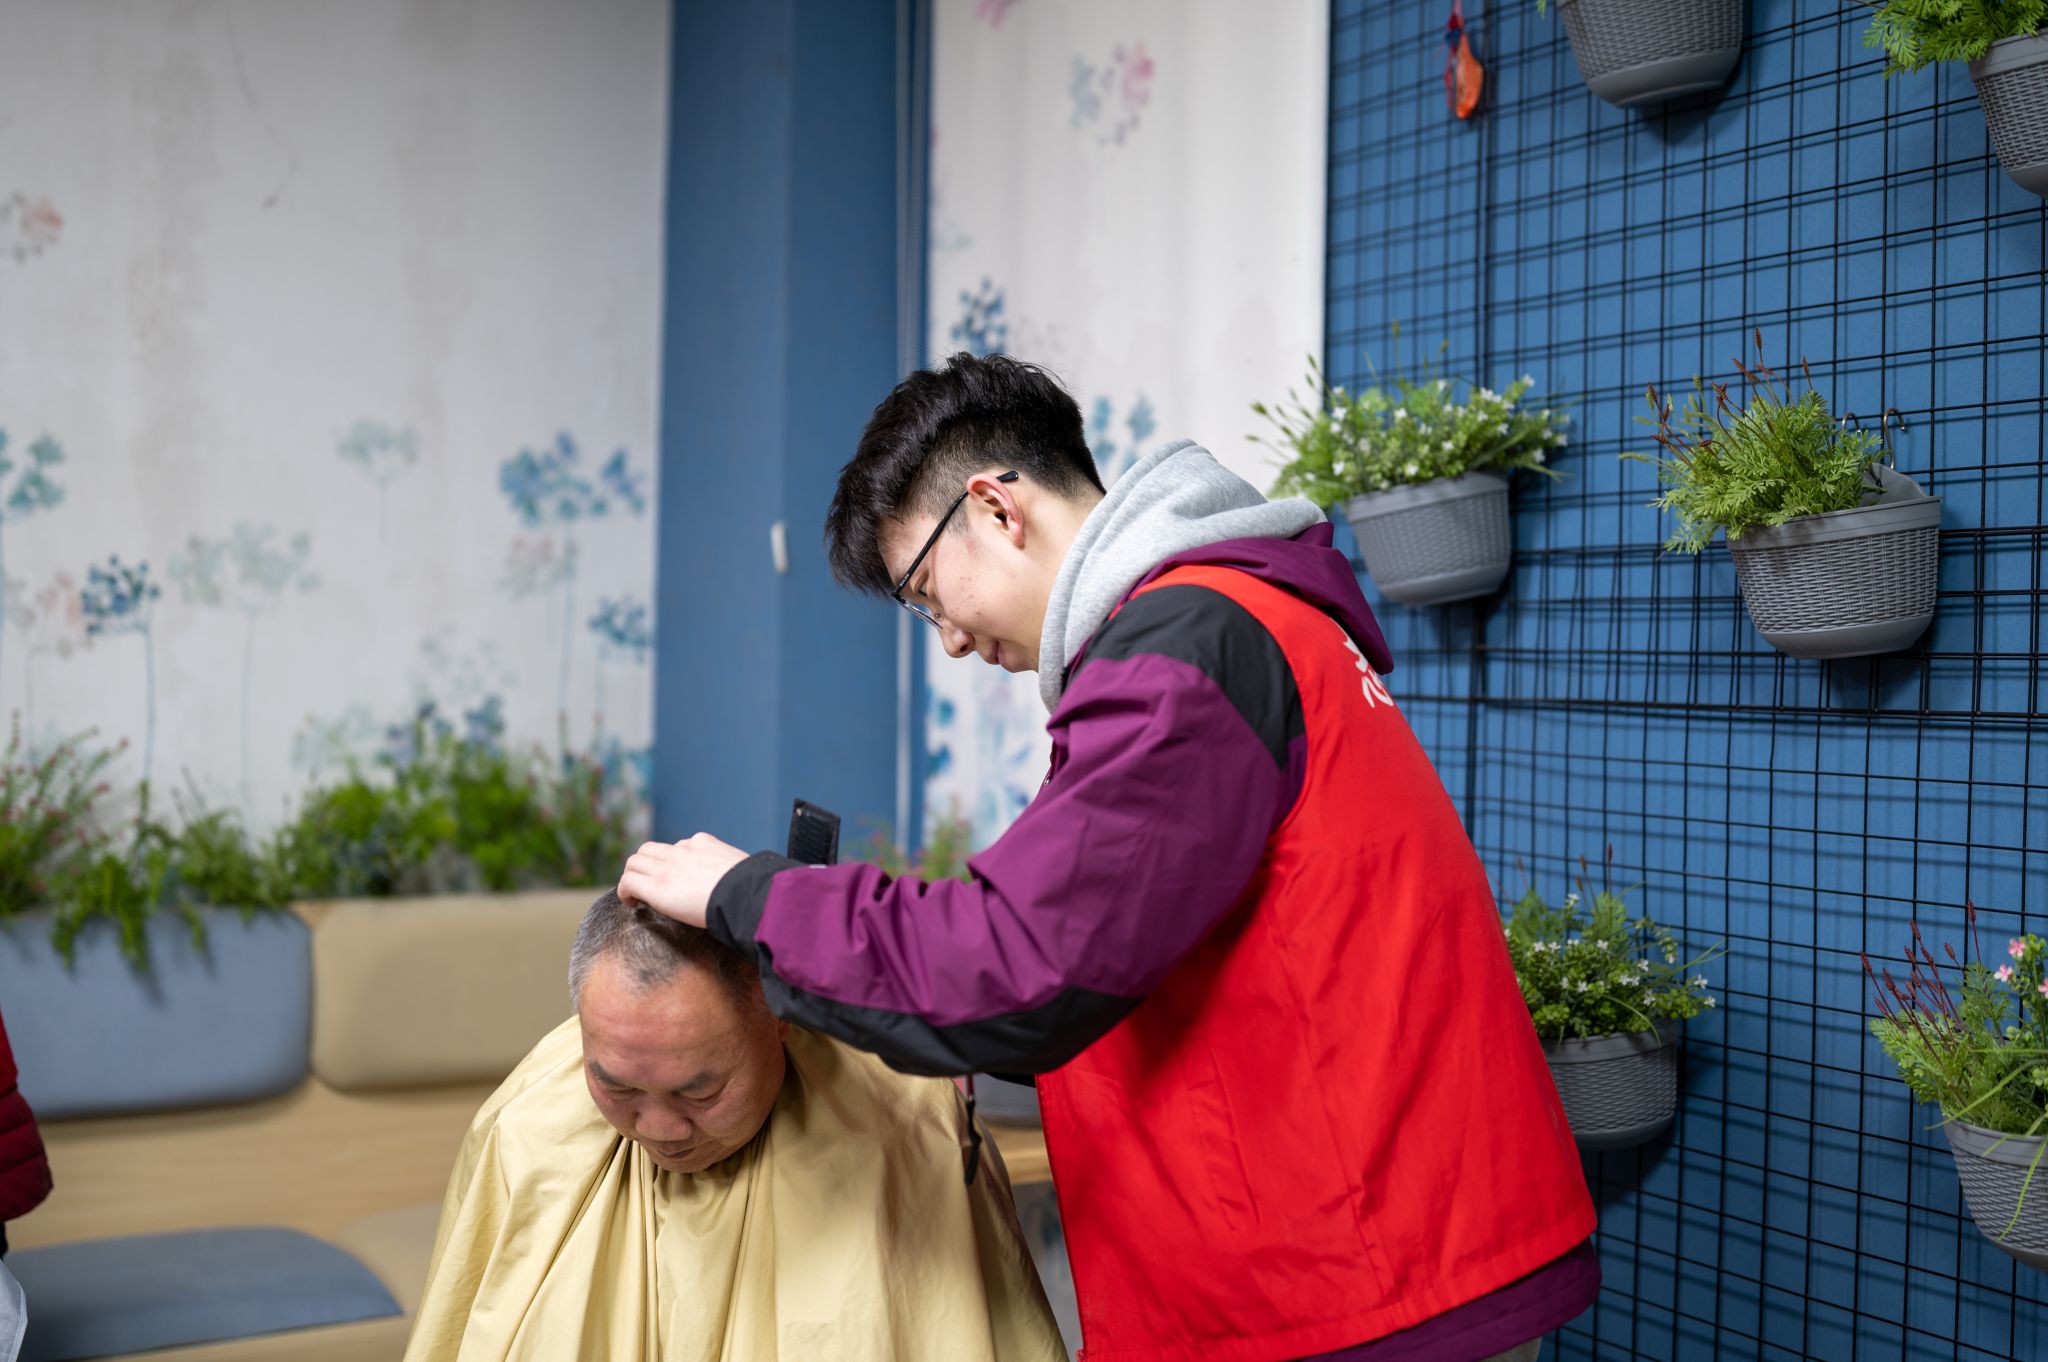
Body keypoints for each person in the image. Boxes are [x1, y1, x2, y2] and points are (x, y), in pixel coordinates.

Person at [620, 353, 1600, 1362]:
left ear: (995, 507)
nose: (947, 639)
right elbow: (1117, 961)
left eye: (926, 593)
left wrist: (753, 896)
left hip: (1363, 1280)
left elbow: (1023, 961)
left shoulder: (1185, 650)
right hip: (1367, 1252)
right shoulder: (1225, 625)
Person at [404, 890, 1066, 1362]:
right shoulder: (525, 1126)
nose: (661, 1129)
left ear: (780, 1017)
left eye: (701, 1091)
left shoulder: (899, 1130)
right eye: (618, 1086)